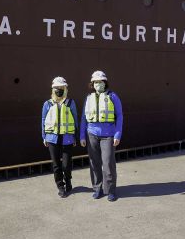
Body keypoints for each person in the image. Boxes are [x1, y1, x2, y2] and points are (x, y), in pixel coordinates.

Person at [80, 70, 123, 202]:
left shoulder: (113, 96)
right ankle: (97, 189)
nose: (98, 84)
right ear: (92, 84)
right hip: (91, 134)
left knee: (108, 163)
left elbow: (120, 116)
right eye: (96, 82)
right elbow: (83, 118)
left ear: (105, 83)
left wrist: (117, 134)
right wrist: (82, 136)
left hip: (108, 135)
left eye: (100, 82)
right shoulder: (88, 98)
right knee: (94, 163)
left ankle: (110, 190)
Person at [41, 76, 79, 198]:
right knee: (56, 165)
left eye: (61, 88)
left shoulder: (70, 103)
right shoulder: (47, 104)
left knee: (66, 164)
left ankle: (68, 181)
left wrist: (75, 137)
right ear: (53, 89)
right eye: (56, 88)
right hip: (52, 138)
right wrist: (44, 137)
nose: (59, 90)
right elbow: (43, 120)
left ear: (65, 88)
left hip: (67, 138)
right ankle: (60, 186)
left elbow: (75, 120)